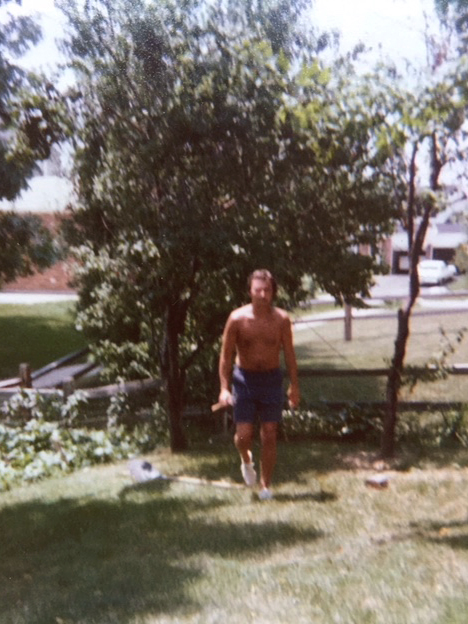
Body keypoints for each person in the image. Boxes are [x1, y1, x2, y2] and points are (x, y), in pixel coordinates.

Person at [217, 269, 300, 500]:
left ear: (273, 292)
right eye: (258, 290)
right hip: (244, 379)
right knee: (243, 436)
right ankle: (246, 460)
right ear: (249, 291)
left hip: (272, 380)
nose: (262, 294)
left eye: (267, 290)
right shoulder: (237, 319)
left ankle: (265, 486)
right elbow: (225, 356)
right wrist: (224, 388)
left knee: (270, 433)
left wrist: (294, 386)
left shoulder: (281, 319)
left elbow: (290, 354)